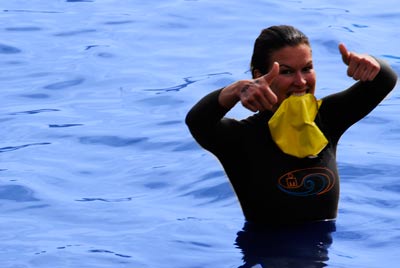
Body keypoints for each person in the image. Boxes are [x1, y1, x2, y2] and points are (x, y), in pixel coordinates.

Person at [185, 25, 398, 226]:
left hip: (324, 251)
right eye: (287, 72)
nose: (301, 81)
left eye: (307, 69)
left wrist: (371, 63)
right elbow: (198, 121)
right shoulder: (241, 138)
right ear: (259, 77)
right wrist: (235, 90)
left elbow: (385, 80)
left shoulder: (327, 120)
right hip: (266, 252)